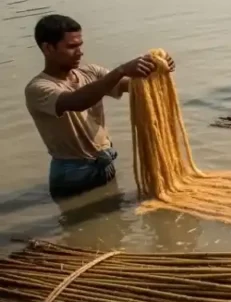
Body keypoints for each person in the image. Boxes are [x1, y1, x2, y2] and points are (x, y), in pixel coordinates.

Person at [25, 14, 175, 196]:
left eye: (80, 45)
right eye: (72, 47)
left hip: (105, 162)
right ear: (48, 48)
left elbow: (131, 85)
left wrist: (154, 69)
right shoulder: (38, 88)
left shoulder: (91, 72)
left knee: (113, 219)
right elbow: (77, 101)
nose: (80, 52)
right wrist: (121, 70)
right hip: (72, 174)